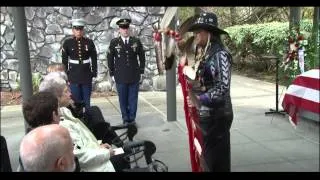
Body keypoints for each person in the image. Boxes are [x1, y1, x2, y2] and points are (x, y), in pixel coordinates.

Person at [39, 74, 130, 172]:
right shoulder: (61, 127)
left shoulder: (64, 112)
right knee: (125, 155)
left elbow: (83, 141)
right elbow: (78, 156)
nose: (70, 93)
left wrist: (98, 146)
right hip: (92, 166)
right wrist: (105, 153)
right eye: (66, 91)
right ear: (57, 98)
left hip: (95, 153)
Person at [179, 12, 233, 172]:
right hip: (208, 116)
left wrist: (199, 99)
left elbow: (223, 88)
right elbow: (205, 81)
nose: (195, 36)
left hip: (218, 117)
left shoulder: (220, 54)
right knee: (208, 160)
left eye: (198, 32)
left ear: (209, 33)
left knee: (216, 161)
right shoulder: (207, 53)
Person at [107, 17, 146, 125]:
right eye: (122, 28)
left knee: (133, 99)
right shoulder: (114, 42)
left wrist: (141, 71)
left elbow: (142, 57)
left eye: (126, 28)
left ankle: (132, 119)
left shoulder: (136, 41)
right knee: (123, 99)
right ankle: (125, 118)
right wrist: (112, 73)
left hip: (134, 74)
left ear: (129, 29)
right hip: (120, 75)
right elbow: (110, 58)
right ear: (119, 29)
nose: (125, 30)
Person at [61, 18, 98, 114]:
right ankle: (79, 119)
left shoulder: (89, 42)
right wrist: (65, 74)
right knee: (76, 101)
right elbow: (64, 61)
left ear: (83, 30)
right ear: (73, 30)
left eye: (80, 29)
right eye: (76, 29)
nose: (78, 31)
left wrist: (94, 72)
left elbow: (94, 58)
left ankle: (89, 120)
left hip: (86, 74)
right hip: (73, 75)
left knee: (87, 101)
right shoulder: (67, 43)